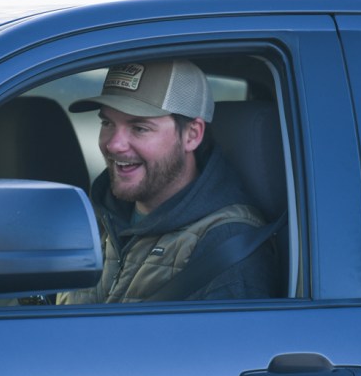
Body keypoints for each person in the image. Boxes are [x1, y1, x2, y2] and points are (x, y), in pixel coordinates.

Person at [56, 59, 279, 304]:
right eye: (107, 123)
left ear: (192, 135)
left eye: (140, 128)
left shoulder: (224, 243)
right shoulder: (96, 219)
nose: (113, 145)